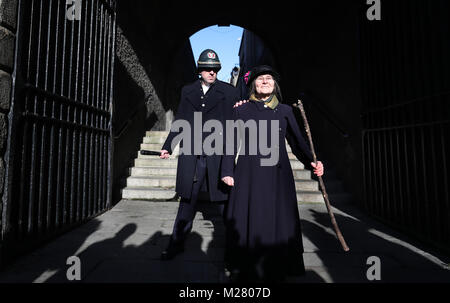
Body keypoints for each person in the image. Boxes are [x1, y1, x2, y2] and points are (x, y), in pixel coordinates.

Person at [221, 65, 324, 281]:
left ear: (275, 84)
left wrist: (313, 162)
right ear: (253, 86)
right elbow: (230, 143)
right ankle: (247, 264)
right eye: (260, 79)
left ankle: (279, 263)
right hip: (249, 173)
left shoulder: (285, 111)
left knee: (280, 217)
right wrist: (227, 171)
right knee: (247, 216)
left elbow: (297, 142)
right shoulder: (241, 110)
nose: (265, 82)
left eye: (269, 79)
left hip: (278, 174)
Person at [159, 49, 239, 260]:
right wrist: (169, 145)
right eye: (206, 69)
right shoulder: (188, 91)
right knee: (187, 202)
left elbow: (234, 128)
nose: (211, 73)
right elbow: (181, 121)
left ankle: (235, 250)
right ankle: (175, 244)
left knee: (224, 205)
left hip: (219, 155)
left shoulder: (229, 92)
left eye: (214, 69)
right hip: (192, 155)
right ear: (199, 70)